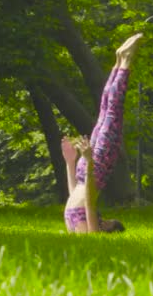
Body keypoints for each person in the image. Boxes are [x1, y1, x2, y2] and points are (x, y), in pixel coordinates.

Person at [61, 33, 143, 233]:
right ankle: (119, 61)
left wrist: (81, 161)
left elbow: (88, 204)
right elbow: (77, 197)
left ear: (107, 232)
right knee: (106, 111)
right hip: (86, 173)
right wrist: (72, 163)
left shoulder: (89, 232)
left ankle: (125, 61)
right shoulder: (78, 225)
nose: (103, 220)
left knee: (111, 111)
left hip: (93, 171)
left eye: (106, 223)